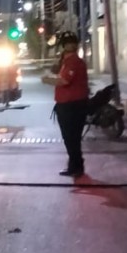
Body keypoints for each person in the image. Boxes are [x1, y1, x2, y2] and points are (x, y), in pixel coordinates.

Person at [41, 32, 89, 177]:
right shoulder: (68, 61)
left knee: (71, 137)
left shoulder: (73, 61)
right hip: (72, 104)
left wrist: (46, 80)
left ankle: (76, 167)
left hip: (71, 106)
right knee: (72, 137)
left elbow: (65, 81)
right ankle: (76, 165)